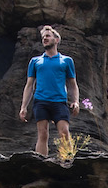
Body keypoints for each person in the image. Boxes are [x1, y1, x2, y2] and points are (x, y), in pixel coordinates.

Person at [18, 24, 79, 161]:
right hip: (41, 101)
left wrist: (75, 101)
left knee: (64, 132)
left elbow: (72, 84)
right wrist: (23, 106)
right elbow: (29, 85)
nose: (44, 39)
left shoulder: (66, 61)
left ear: (56, 40)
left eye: (48, 36)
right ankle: (41, 163)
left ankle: (68, 161)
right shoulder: (35, 61)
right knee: (43, 133)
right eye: (43, 37)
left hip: (59, 101)